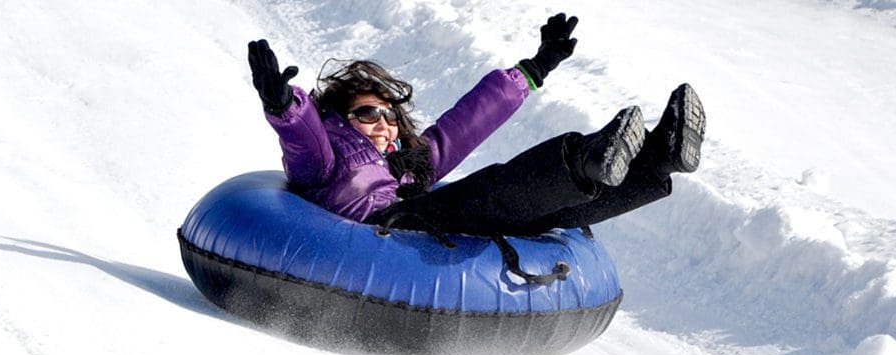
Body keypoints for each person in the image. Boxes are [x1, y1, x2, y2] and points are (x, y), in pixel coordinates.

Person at [248, 13, 705, 243]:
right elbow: (301, 139)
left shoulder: (407, 164)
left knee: (548, 215)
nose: (383, 124)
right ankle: (587, 158)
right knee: (488, 191)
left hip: (419, 214)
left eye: (390, 116)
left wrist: (535, 67)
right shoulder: (327, 159)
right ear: (340, 120)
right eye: (368, 113)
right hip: (387, 229)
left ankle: (654, 161)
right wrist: (284, 104)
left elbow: (466, 123)